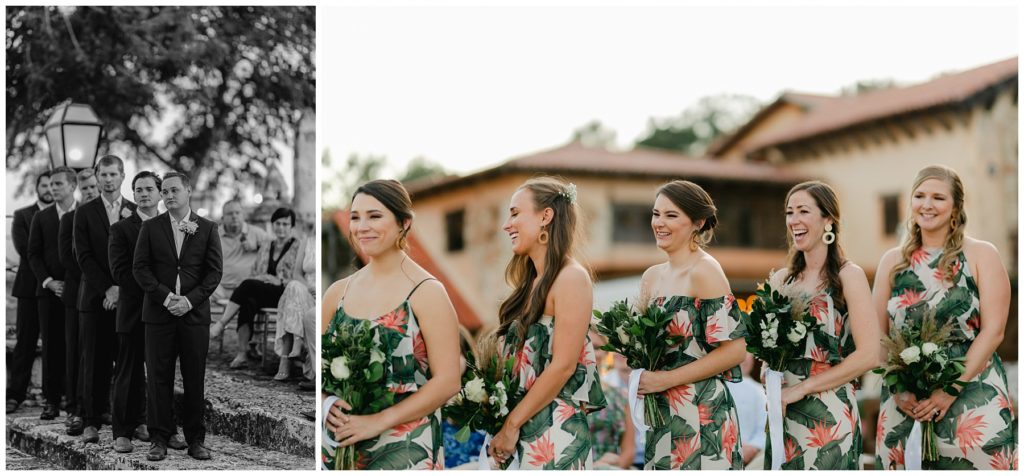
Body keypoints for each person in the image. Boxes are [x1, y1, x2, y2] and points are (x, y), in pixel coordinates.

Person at [873, 165, 1016, 470]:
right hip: (904, 403)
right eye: (920, 195)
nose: (927, 204)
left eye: (938, 197)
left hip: (972, 397)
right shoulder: (892, 262)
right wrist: (898, 390)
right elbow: (877, 337)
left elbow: (993, 332)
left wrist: (950, 390)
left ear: (955, 207)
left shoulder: (981, 255)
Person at [321, 179, 460, 469]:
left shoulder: (427, 291)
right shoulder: (337, 292)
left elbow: (448, 380)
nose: (362, 227)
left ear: (404, 223)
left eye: (375, 216)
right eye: (355, 217)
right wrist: (325, 403)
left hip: (406, 448)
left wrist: (376, 422)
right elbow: (316, 366)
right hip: (337, 443)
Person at [488, 177, 607, 470]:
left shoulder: (571, 278)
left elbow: (563, 365)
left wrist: (511, 425)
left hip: (555, 431)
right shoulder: (530, 283)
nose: (507, 224)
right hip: (522, 428)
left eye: (515, 213)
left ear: (546, 216)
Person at [763, 181, 878, 470]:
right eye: (790, 212)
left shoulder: (848, 276)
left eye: (803, 211)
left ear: (829, 219)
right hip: (783, 412)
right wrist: (769, 371)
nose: (794, 220)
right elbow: (767, 346)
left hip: (830, 415)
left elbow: (869, 355)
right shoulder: (781, 281)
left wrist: (803, 388)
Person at [634, 180, 746, 470]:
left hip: (702, 412)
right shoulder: (650, 277)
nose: (659, 223)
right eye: (656, 214)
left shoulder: (705, 270)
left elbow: (735, 351)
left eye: (671, 216)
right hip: (660, 412)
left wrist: (666, 380)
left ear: (697, 222)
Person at [134, 171, 223, 461]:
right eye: (165, 192)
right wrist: (165, 296)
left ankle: (196, 440)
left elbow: (213, 273)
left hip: (193, 316)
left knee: (194, 379)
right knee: (158, 379)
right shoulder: (150, 227)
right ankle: (158, 439)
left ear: (188, 192)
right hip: (158, 316)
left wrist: (188, 300)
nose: (169, 195)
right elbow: (140, 268)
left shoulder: (207, 228)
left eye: (175, 190)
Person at [74, 155, 136, 443]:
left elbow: (139, 257)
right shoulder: (84, 213)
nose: (108, 179)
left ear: (122, 176)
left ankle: (134, 420)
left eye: (114, 174)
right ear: (96, 178)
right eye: (104, 174)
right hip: (94, 299)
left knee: (128, 360)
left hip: (128, 298)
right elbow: (83, 256)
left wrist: (121, 288)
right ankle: (90, 421)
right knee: (93, 361)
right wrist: (107, 289)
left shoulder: (135, 211)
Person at [108, 171, 161, 453]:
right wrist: (156, 291)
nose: (143, 194)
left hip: (164, 314)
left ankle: (153, 426)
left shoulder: (172, 226)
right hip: (133, 311)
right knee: (127, 372)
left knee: (158, 373)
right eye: (138, 189)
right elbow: (120, 272)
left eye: (149, 189)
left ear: (160, 193)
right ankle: (122, 432)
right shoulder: (121, 229)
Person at [210, 207, 302, 369]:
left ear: (291, 226)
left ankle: (222, 323)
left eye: (285, 224)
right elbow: (255, 272)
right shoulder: (267, 245)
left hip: (286, 293)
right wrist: (262, 278)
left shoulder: (298, 246)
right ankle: (242, 353)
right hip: (264, 290)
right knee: (248, 302)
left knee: (247, 284)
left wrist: (277, 280)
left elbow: (299, 277)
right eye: (278, 223)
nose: (281, 227)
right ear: (273, 225)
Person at [28, 167, 75, 420]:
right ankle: (51, 401)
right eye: (50, 185)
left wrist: (70, 283)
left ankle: (74, 401)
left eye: (58, 184)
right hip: (47, 293)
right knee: (51, 347)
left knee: (75, 346)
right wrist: (49, 282)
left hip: (76, 292)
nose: (52, 188)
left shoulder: (83, 214)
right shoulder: (41, 217)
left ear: (71, 186)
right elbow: (33, 254)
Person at [7, 171, 52, 414]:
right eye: (43, 185)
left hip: (54, 289)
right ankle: (15, 394)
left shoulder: (65, 216)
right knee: (25, 342)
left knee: (55, 343)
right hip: (28, 287)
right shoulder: (22, 215)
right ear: (37, 188)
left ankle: (54, 396)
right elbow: (25, 249)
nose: (48, 189)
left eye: (52, 184)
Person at [59, 168, 98, 435]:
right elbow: (67, 257)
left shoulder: (116, 215)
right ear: (79, 191)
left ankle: (101, 406)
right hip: (79, 294)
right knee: (77, 353)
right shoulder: (71, 218)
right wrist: (95, 279)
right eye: (85, 189)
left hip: (112, 295)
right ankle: (75, 408)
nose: (90, 192)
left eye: (93, 187)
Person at [587, 327, 636, 470]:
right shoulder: (563, 397)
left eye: (596, 347)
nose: (590, 353)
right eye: (585, 346)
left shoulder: (621, 396)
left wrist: (606, 467)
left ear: (605, 352)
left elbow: (629, 451)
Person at [274, 232, 315, 382]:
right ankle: (296, 343)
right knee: (294, 286)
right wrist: (310, 288)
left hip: (323, 294)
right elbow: (297, 273)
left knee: (293, 291)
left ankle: (287, 356)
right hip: (307, 289)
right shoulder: (307, 240)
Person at [213, 199, 271, 302]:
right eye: (230, 213)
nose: (234, 216)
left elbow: (276, 248)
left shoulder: (257, 233)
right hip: (220, 288)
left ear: (243, 215)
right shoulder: (214, 235)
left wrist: (257, 247)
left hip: (248, 288)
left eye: (237, 213)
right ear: (222, 218)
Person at [724, 353, 767, 468]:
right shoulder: (720, 387)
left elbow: (766, 425)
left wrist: (753, 447)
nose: (745, 359)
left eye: (749, 355)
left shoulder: (761, 391)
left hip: (751, 454)